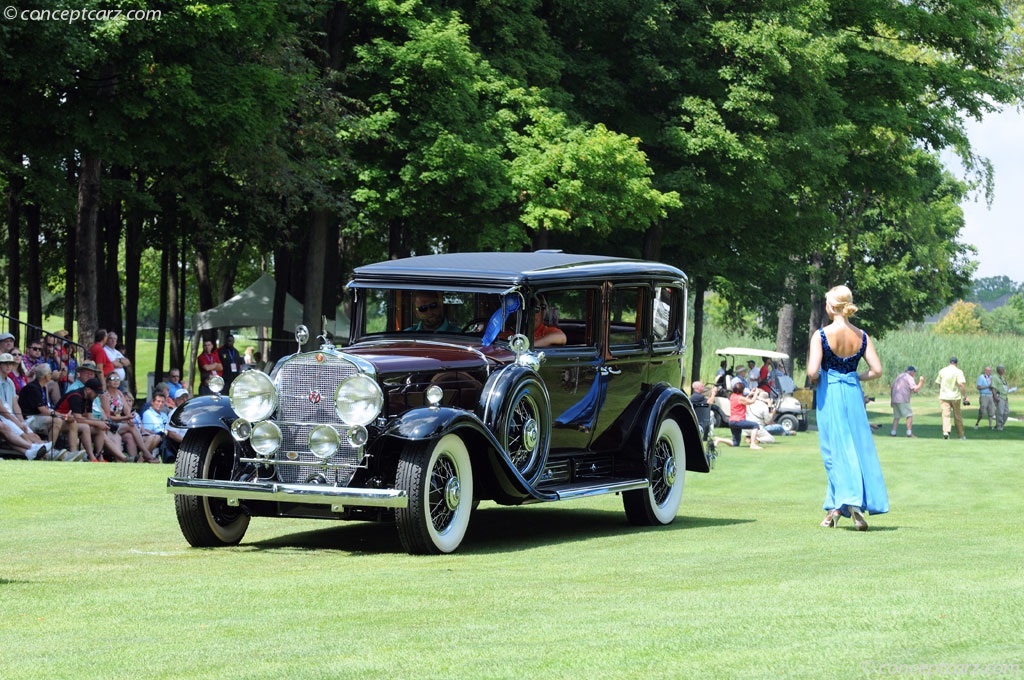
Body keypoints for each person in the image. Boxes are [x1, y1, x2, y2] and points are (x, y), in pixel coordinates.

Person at [806, 285, 887, 531]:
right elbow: (877, 371)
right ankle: (835, 509)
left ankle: (852, 506)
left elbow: (811, 371)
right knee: (855, 447)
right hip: (852, 393)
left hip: (830, 392)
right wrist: (854, 377)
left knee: (834, 452)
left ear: (831, 307)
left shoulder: (821, 335)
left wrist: (818, 379)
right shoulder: (862, 335)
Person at [18, 364, 86, 460]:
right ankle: (50, 452)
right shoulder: (33, 388)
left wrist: (63, 416)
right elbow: (43, 410)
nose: (51, 375)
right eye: (50, 373)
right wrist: (62, 415)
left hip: (41, 417)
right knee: (57, 421)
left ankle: (73, 454)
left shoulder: (43, 387)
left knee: (72, 423)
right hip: (30, 419)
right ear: (46, 376)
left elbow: (46, 409)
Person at [95, 372, 159, 463]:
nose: (116, 381)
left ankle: (133, 461)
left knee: (129, 436)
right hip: (111, 425)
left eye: (118, 379)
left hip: (121, 424)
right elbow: (108, 416)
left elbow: (127, 410)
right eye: (113, 379)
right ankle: (145, 453)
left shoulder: (119, 394)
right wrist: (125, 418)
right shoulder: (105, 396)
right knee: (131, 427)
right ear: (108, 382)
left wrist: (130, 418)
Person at [0, 352, 52, 459]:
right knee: (24, 435)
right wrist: (18, 423)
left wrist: (21, 421)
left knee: (32, 435)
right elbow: (2, 409)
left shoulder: (10, 382)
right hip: (4, 416)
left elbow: (15, 405)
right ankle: (38, 449)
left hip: (10, 416)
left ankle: (37, 452)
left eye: (10, 363)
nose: (9, 366)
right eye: (5, 363)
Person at [55, 378, 109, 462]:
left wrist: (101, 423)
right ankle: (91, 457)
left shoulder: (89, 398)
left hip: (72, 421)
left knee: (99, 429)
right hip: (61, 420)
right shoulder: (76, 396)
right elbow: (78, 418)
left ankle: (99, 456)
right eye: (96, 393)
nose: (97, 395)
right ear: (88, 389)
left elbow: (90, 417)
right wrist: (97, 423)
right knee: (85, 427)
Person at [935, 356, 967, 440]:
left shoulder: (942, 370)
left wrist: (942, 390)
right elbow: (961, 385)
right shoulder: (958, 371)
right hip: (955, 396)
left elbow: (939, 383)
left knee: (945, 415)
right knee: (957, 416)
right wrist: (965, 396)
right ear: (956, 363)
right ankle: (961, 435)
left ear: (950, 362)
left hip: (944, 396)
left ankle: (946, 432)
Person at [727, 381, 763, 450]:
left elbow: (743, 400)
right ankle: (753, 444)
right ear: (742, 390)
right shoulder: (740, 398)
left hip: (731, 421)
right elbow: (751, 402)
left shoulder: (732, 396)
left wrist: (749, 394)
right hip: (738, 420)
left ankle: (719, 439)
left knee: (736, 443)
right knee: (755, 425)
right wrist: (756, 393)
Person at [890, 365, 924, 437]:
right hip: (903, 399)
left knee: (896, 416)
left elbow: (892, 387)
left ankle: (893, 432)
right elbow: (915, 390)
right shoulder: (909, 377)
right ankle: (909, 433)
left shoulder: (899, 376)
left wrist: (891, 400)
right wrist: (921, 382)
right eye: (914, 372)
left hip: (895, 399)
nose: (915, 374)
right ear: (911, 372)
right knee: (909, 415)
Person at [992, 364, 1013, 431]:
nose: (1004, 371)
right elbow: (993, 387)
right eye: (1003, 369)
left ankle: (1000, 425)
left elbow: (1003, 386)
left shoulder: (1002, 377)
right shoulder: (995, 377)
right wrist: (995, 396)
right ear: (999, 370)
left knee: (1006, 412)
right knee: (1000, 412)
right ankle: (999, 427)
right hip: (999, 396)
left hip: (1005, 396)